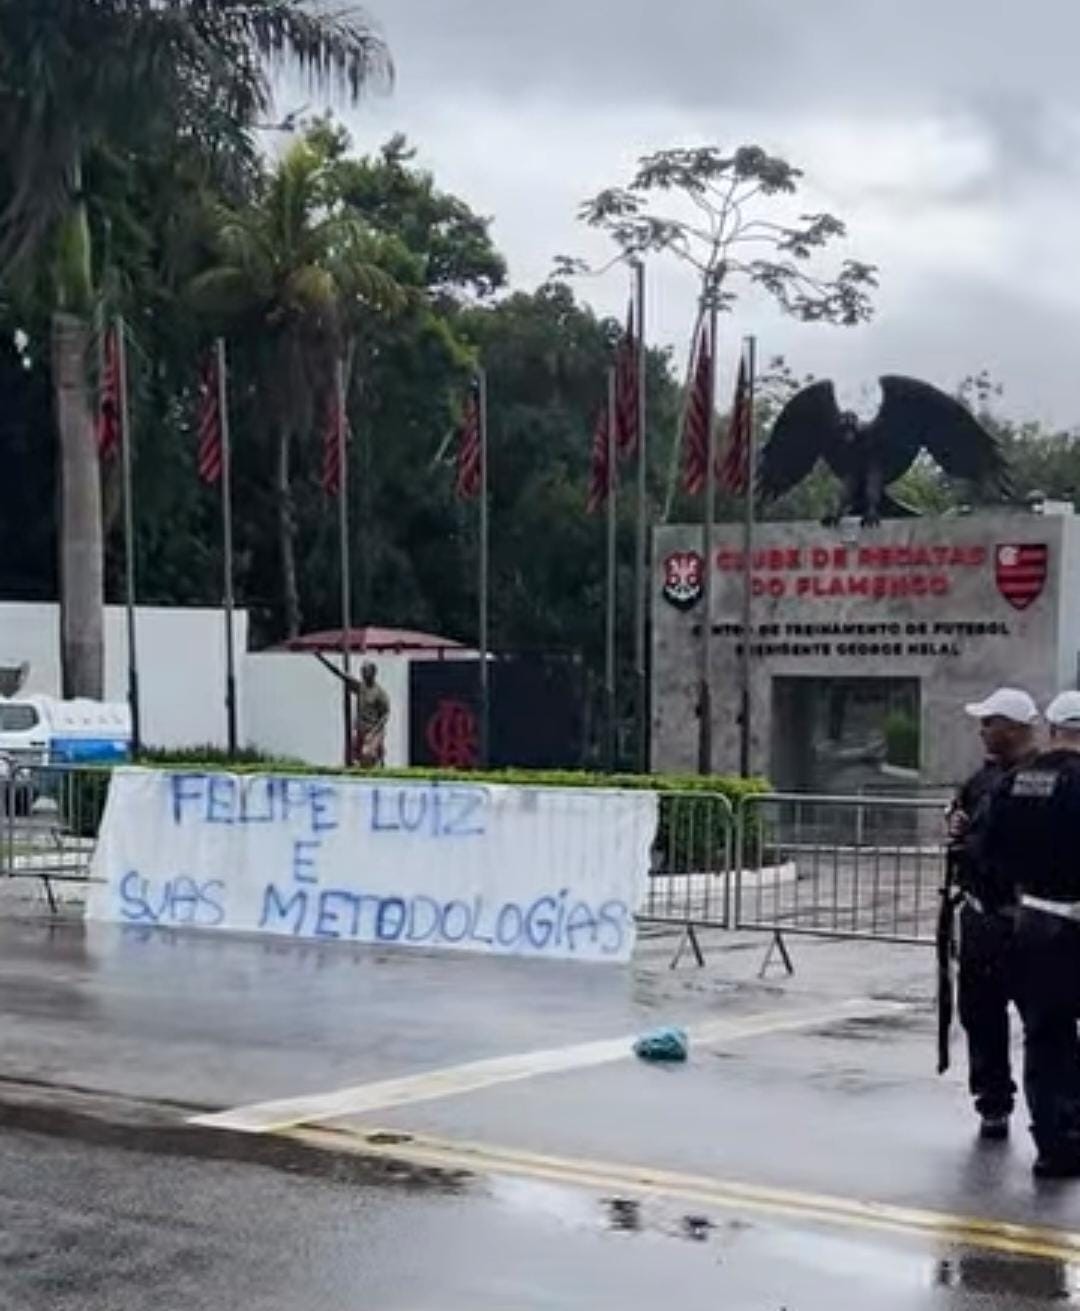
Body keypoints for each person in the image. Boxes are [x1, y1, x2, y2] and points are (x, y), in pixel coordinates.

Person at [982, 690, 1080, 1177]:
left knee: (1046, 1037)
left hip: (1035, 921)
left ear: (1054, 729)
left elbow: (988, 847)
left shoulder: (1015, 782)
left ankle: (1055, 1144)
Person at [948, 686, 1039, 1141]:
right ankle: (993, 1103)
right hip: (982, 915)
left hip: (1030, 919)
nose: (982, 730)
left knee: (1043, 1021)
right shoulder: (979, 780)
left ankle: (1057, 1115)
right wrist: (958, 830)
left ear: (1015, 728)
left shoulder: (1045, 776)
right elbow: (961, 829)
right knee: (981, 1014)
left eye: (990, 722)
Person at [351, 662, 390, 769]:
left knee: (367, 754)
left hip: (373, 729)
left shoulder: (380, 693)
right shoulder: (360, 687)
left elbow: (385, 714)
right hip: (360, 728)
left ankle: (377, 760)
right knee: (355, 756)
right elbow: (341, 675)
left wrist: (373, 732)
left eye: (365, 671)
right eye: (362, 672)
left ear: (373, 673)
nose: (362, 674)